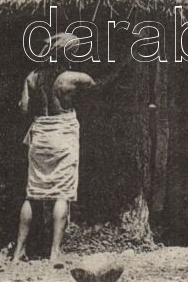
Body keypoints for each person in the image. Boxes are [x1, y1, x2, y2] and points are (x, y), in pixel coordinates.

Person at [13, 32, 130, 265]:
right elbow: (101, 86)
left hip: (40, 135)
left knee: (32, 193)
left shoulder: (32, 77)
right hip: (63, 134)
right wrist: (122, 66)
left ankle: (18, 252)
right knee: (62, 193)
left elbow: (24, 109)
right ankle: (55, 252)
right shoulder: (73, 78)